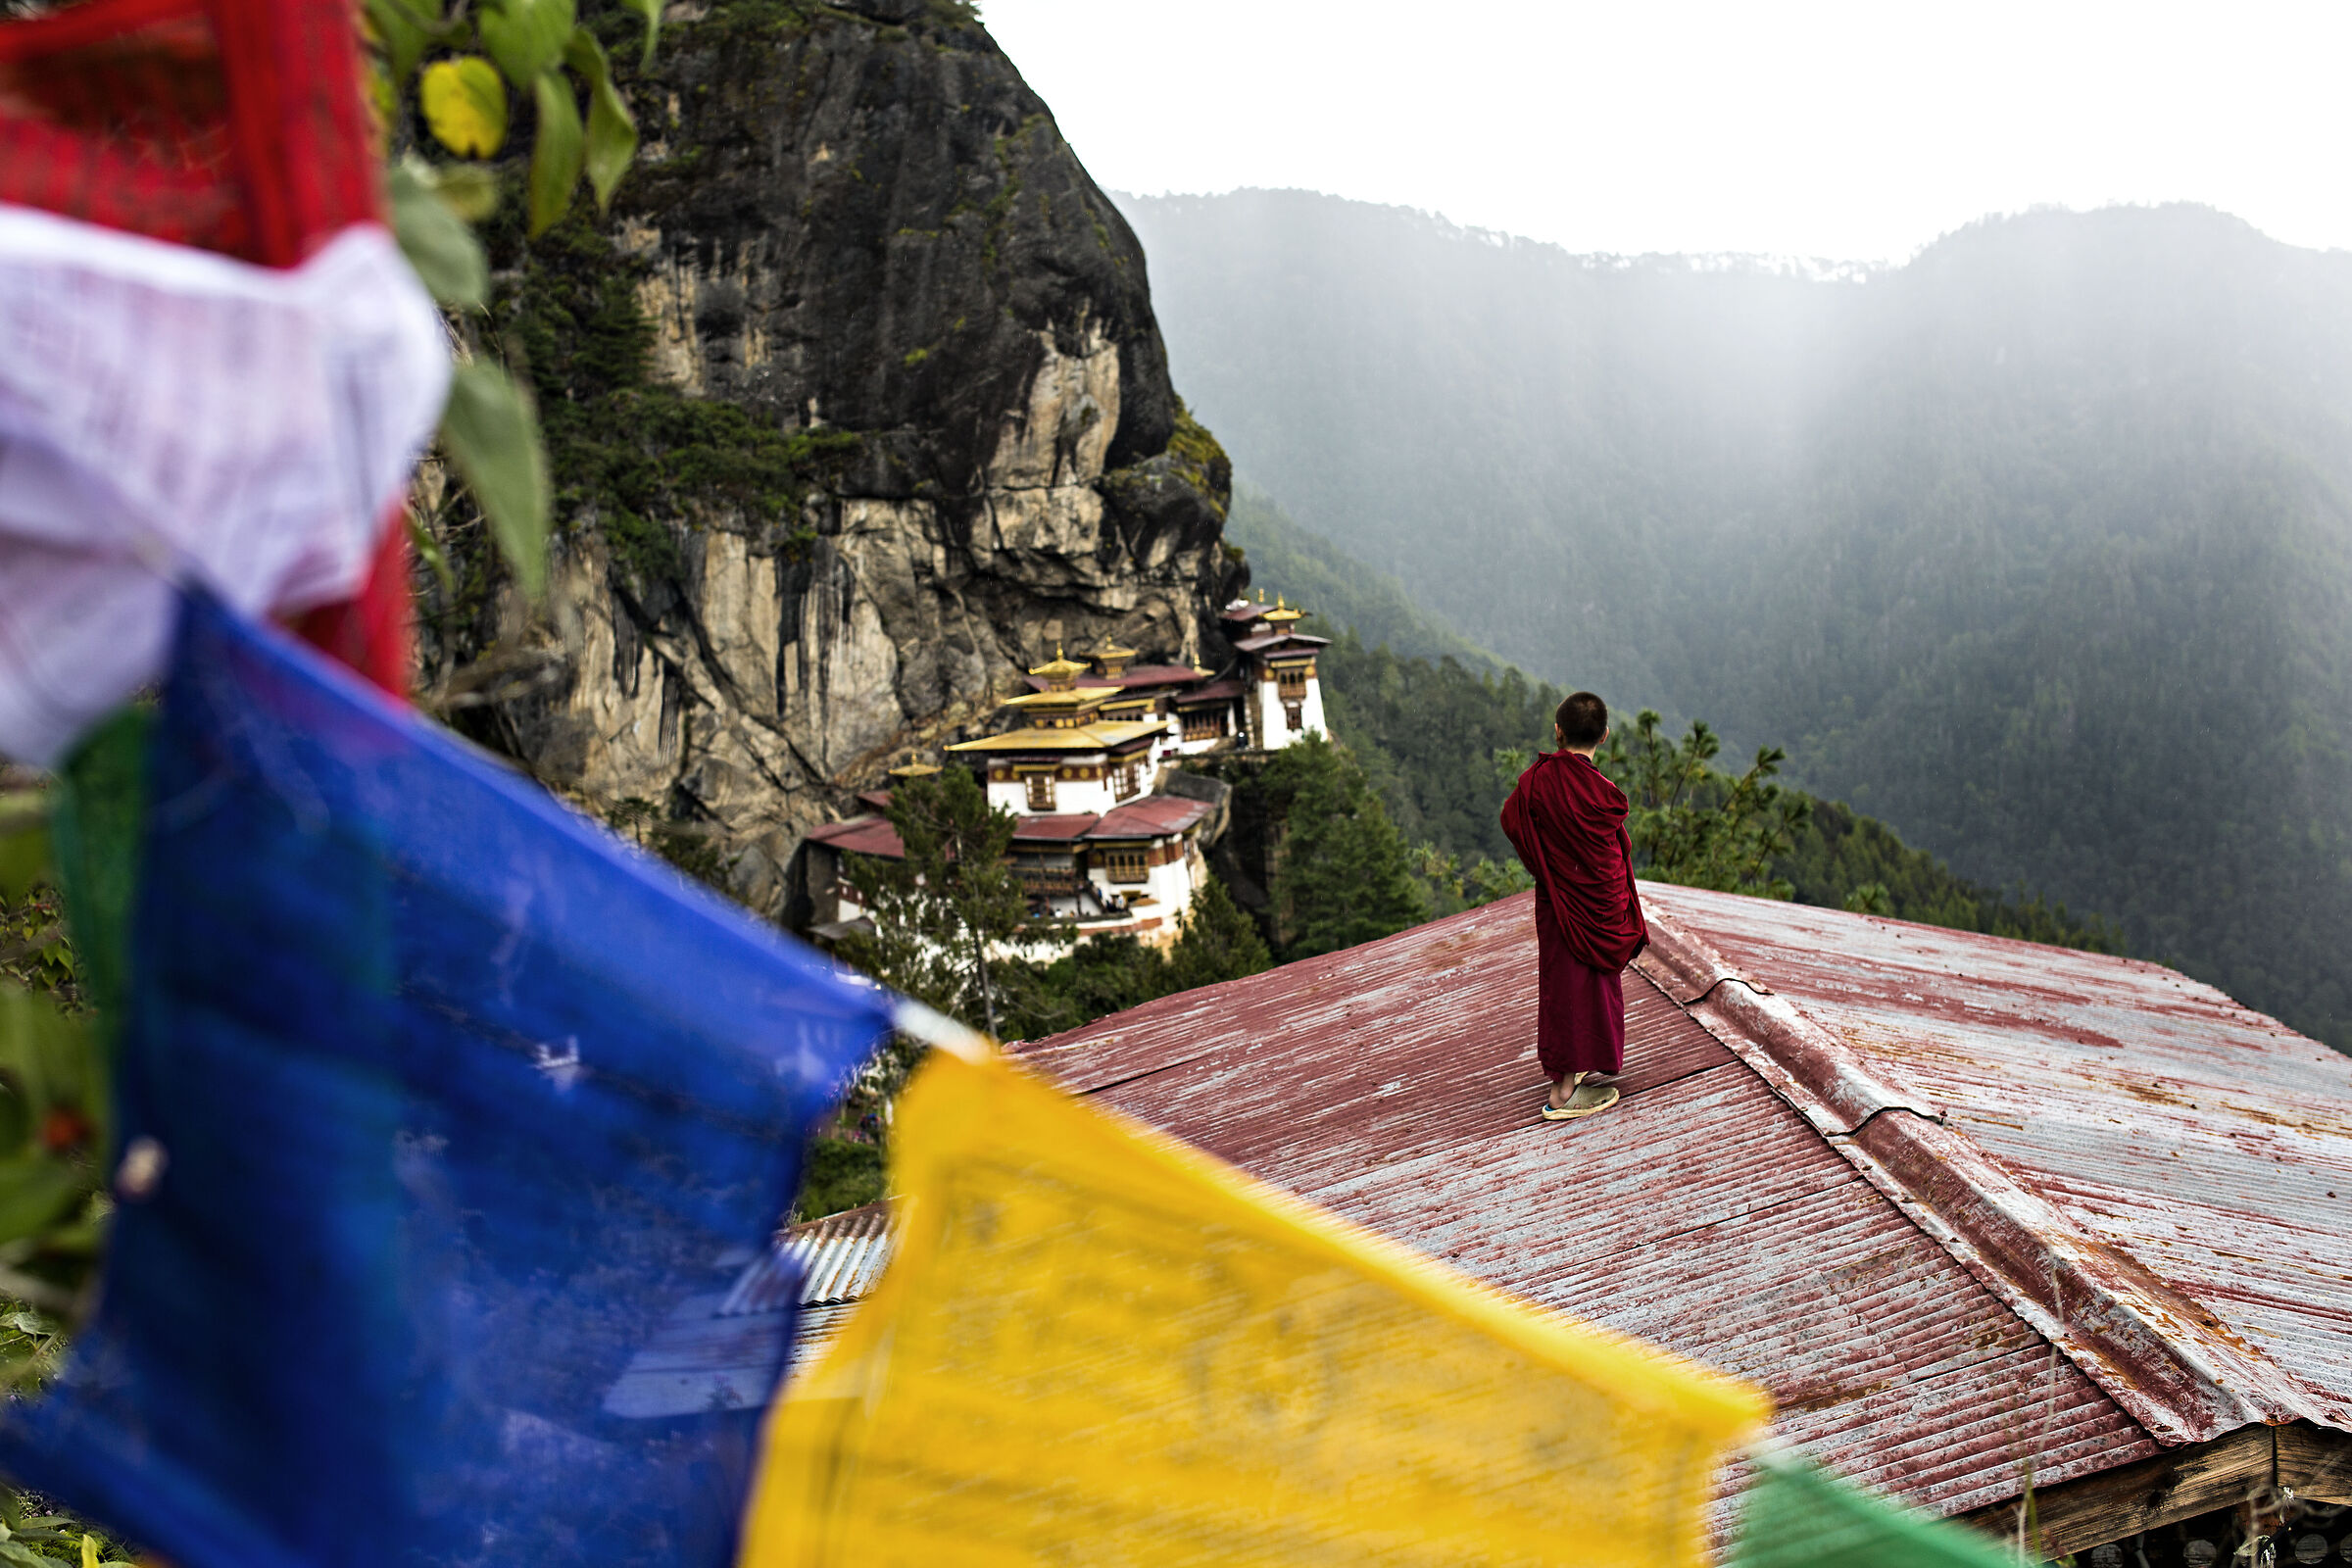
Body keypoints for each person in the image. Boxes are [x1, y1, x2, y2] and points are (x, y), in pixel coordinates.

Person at [1500, 690, 1648, 1122]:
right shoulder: (1604, 794)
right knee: (1584, 985)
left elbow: (1513, 821)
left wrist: (1549, 872)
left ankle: (1577, 1066)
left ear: (1558, 731)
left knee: (1567, 985)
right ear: (1604, 735)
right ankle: (1562, 1093)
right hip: (1596, 905)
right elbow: (1611, 861)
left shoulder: (1536, 783)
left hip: (1560, 903)